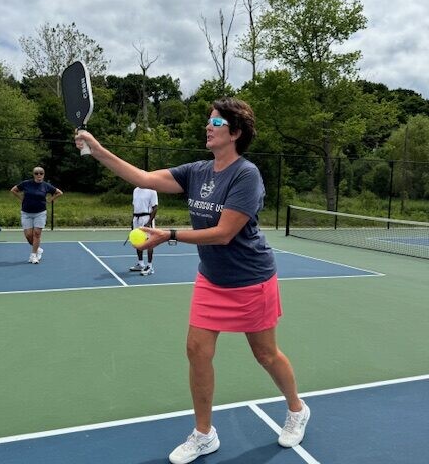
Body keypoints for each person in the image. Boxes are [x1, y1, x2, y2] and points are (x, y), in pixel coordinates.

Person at [74, 97, 310, 464]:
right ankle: (204, 434)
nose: (207, 127)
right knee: (197, 351)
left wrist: (168, 234)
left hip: (251, 279)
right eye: (209, 122)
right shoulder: (197, 170)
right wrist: (99, 150)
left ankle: (296, 409)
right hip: (212, 280)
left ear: (234, 133)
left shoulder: (246, 175)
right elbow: (143, 177)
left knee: (264, 354)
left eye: (215, 123)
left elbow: (224, 233)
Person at [10, 166, 63, 264]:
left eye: (41, 173)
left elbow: (59, 193)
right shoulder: (26, 184)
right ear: (33, 174)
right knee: (29, 236)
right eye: (36, 173)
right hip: (26, 213)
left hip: (40, 213)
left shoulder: (46, 186)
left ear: (43, 174)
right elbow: (13, 190)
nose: (39, 175)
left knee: (37, 234)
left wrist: (50, 200)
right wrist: (21, 198)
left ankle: (33, 256)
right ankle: (38, 249)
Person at [130, 187, 158, 276]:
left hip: (146, 218)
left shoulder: (152, 190)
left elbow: (155, 208)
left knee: (149, 241)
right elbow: (135, 207)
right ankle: (141, 263)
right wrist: (132, 220)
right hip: (136, 218)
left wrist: (149, 222)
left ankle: (150, 266)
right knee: (137, 241)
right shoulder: (135, 190)